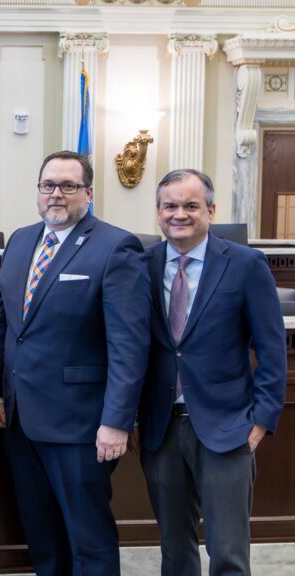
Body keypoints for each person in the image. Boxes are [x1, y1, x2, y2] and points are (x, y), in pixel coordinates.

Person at [0, 150, 150, 576]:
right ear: (38, 192)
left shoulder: (116, 246)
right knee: (43, 537)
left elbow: (129, 345)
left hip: (81, 424)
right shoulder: (21, 240)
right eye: (48, 185)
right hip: (21, 419)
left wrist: (118, 420)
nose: (56, 194)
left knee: (87, 540)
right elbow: (5, 322)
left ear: (88, 193)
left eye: (67, 186)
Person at [136, 169, 286, 576]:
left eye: (190, 206)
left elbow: (272, 348)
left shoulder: (245, 264)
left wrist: (262, 420)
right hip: (161, 428)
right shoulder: (141, 265)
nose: (178, 214)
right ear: (158, 212)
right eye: (170, 206)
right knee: (174, 549)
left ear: (211, 210)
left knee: (228, 553)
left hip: (227, 425)